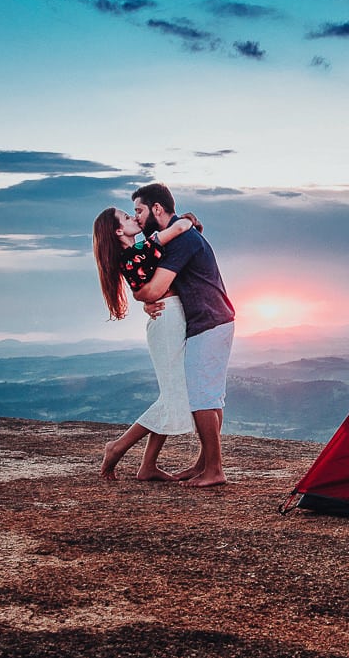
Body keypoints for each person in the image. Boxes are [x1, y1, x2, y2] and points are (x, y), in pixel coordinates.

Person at [131, 182, 236, 488]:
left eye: (139, 210)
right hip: (214, 319)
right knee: (211, 396)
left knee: (202, 397)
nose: (136, 218)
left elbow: (155, 288)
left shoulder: (181, 239)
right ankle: (204, 464)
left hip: (209, 321)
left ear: (157, 209)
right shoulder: (179, 233)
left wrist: (144, 298)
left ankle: (214, 470)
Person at [92, 207, 196, 481]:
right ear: (118, 232)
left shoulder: (132, 254)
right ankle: (117, 447)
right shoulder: (142, 249)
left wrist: (144, 301)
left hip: (168, 316)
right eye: (128, 218)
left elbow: (142, 289)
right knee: (173, 396)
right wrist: (187, 220)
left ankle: (147, 466)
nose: (134, 218)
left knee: (171, 395)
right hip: (167, 319)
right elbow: (180, 230)